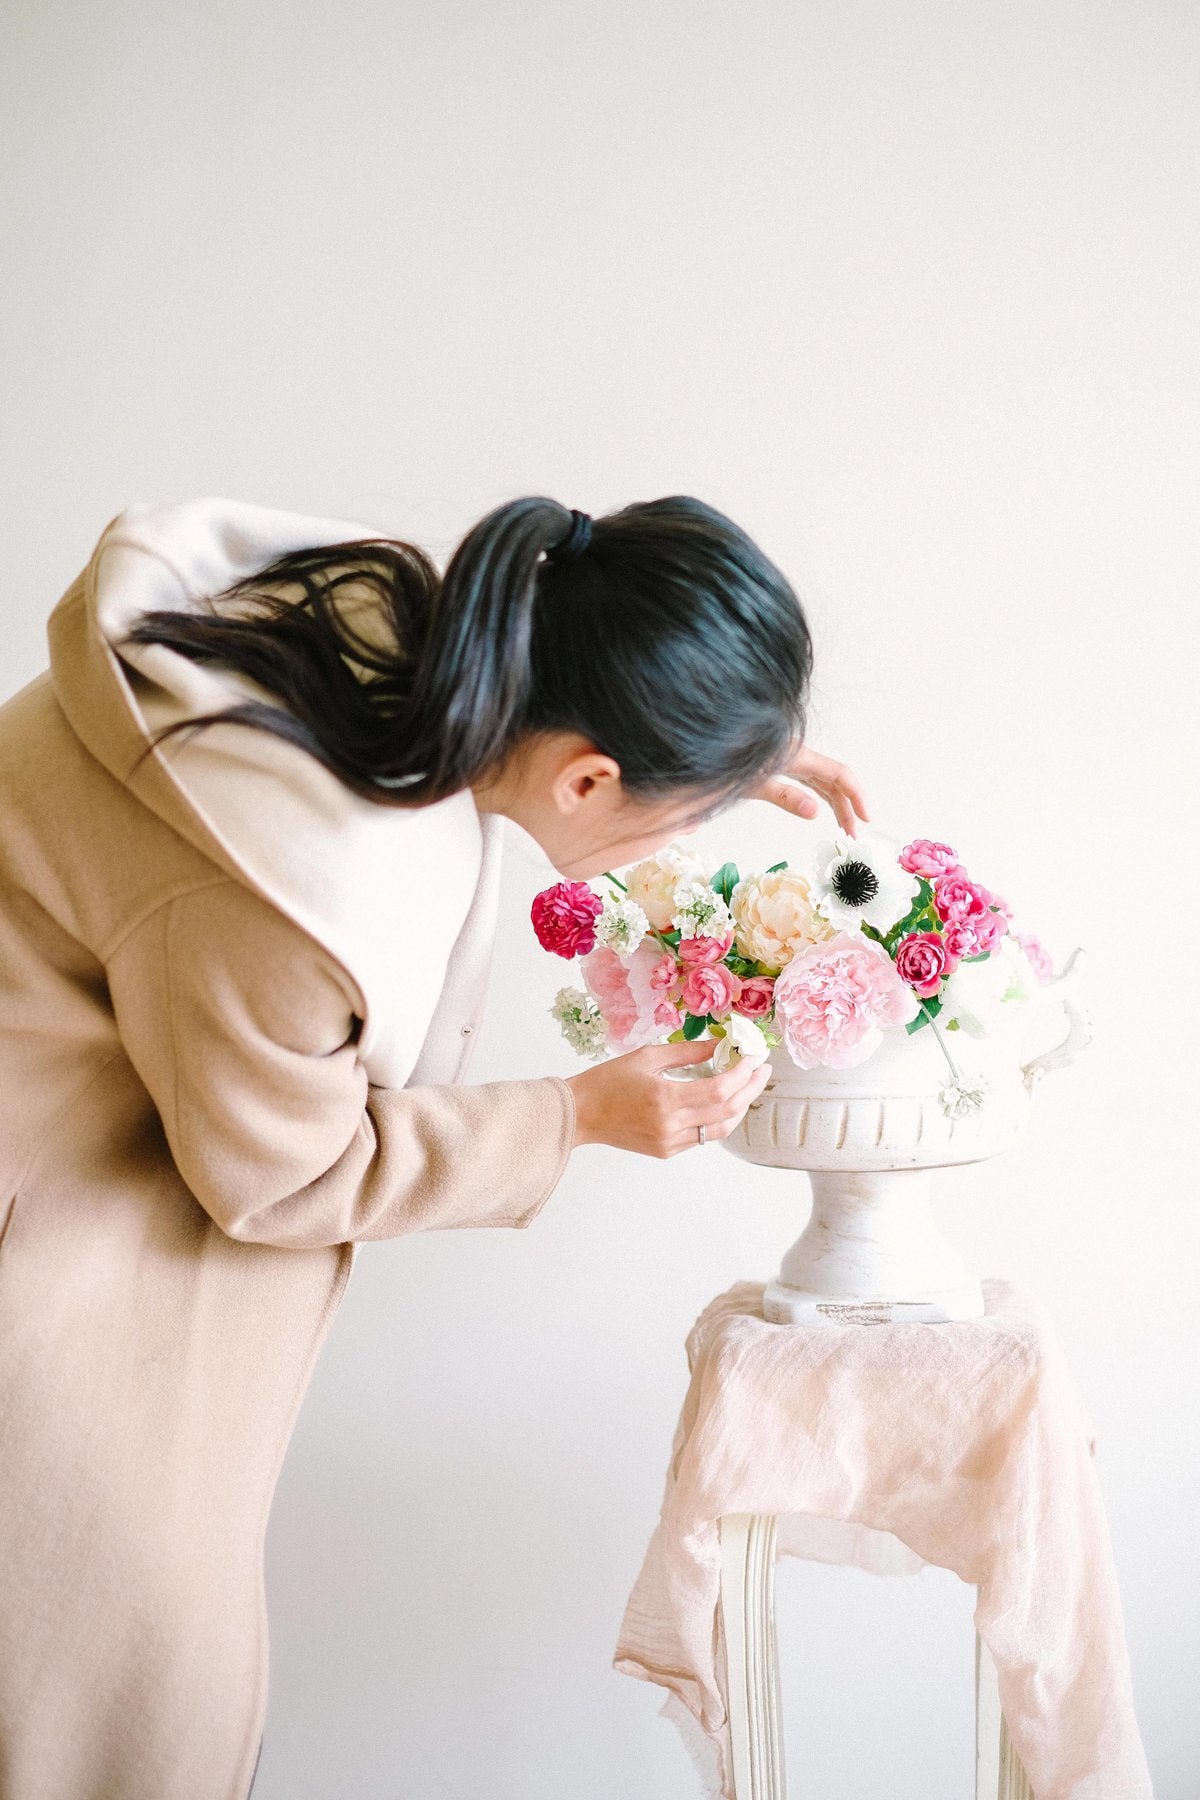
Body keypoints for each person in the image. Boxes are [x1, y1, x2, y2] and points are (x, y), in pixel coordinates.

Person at [0, 491, 867, 1800]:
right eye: (687, 815)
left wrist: (716, 744)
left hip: (66, 1199)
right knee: (121, 1714)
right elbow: (284, 1173)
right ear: (588, 775)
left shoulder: (383, 638)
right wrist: (576, 1114)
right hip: (47, 1290)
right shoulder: (268, 883)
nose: (687, 846)